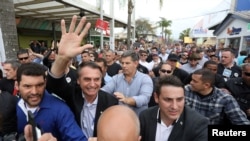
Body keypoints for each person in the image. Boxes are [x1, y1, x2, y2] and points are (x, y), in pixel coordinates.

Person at [46, 15, 118, 138]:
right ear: (78, 81)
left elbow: (114, 130)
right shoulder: (73, 94)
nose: (92, 84)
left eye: (96, 79)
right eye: (87, 79)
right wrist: (63, 58)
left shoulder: (110, 102)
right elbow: (53, 83)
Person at [16, 63, 87, 141]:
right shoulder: (15, 105)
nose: (34, 92)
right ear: (17, 85)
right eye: (27, 86)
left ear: (45, 82)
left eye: (39, 85)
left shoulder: (60, 110)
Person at [139, 75, 209, 141]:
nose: (174, 106)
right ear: (156, 97)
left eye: (179, 99)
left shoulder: (198, 123)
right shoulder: (145, 116)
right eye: (168, 100)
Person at [185, 69, 250, 125]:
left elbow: (241, 121)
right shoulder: (186, 90)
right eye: (191, 80)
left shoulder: (225, 99)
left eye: (195, 81)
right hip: (187, 131)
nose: (191, 83)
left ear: (206, 85)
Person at [101, 50, 153, 115]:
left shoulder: (145, 79)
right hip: (119, 118)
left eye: (127, 63)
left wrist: (126, 100)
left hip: (138, 120)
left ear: (136, 64)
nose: (124, 66)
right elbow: (104, 91)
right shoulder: (116, 78)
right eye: (122, 63)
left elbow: (145, 98)